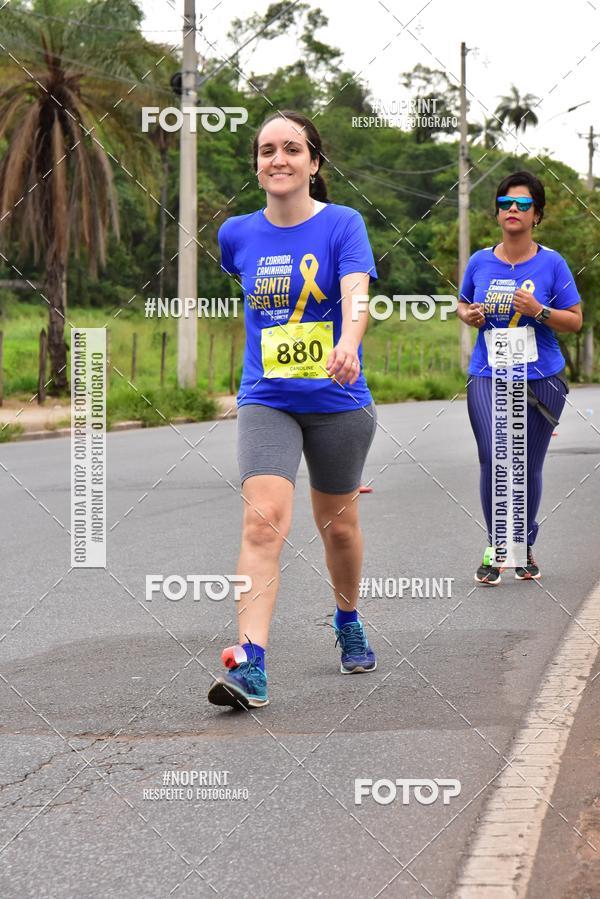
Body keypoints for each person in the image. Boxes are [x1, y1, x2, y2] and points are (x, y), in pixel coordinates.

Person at [208, 110, 378, 709]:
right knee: (263, 521)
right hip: (267, 398)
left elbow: (357, 292)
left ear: (313, 162)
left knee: (339, 527)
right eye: (266, 150)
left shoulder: (343, 224)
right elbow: (250, 284)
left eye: (291, 149)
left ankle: (348, 617)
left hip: (338, 398)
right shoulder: (237, 234)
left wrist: (348, 345)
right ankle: (250, 665)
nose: (277, 159)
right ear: (257, 165)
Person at [457, 171, 583, 585]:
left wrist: (539, 311)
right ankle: (498, 547)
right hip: (488, 373)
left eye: (524, 204)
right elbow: (461, 305)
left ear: (537, 215)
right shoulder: (479, 261)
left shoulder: (552, 263)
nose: (514, 209)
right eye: (507, 203)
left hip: (541, 376)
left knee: (526, 465)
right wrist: (470, 314)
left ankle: (522, 544)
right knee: (495, 456)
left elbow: (574, 321)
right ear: (497, 212)